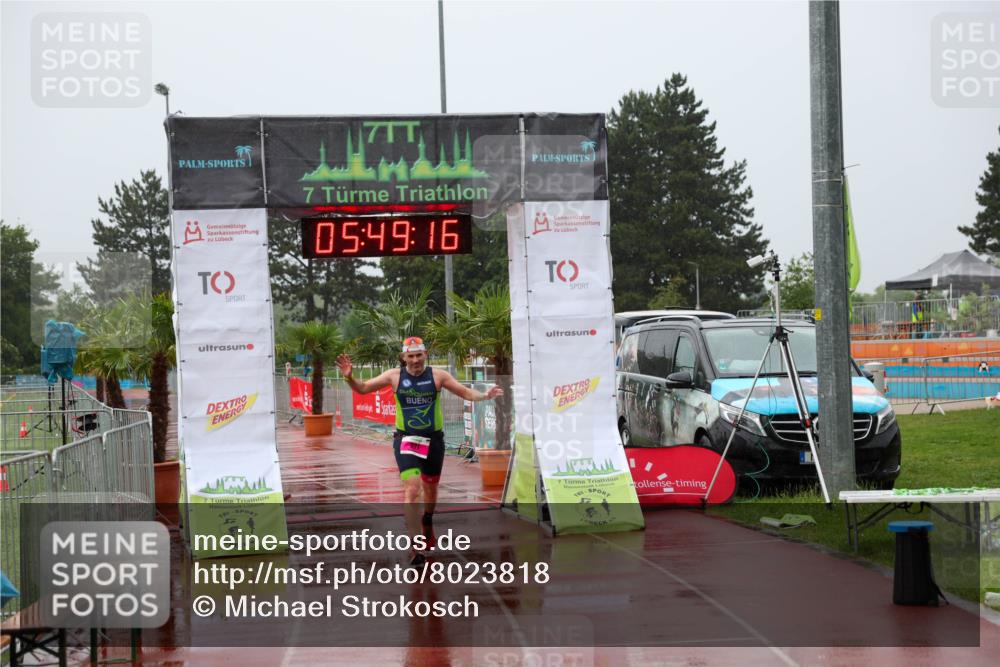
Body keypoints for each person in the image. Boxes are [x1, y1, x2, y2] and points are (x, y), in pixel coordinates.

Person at [336, 337, 503, 566]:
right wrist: (349, 377)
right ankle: (416, 546)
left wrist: (485, 396)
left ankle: (427, 519)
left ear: (425, 354)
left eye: (419, 355)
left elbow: (464, 392)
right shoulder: (394, 376)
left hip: (434, 440)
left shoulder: (438, 376)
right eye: (410, 356)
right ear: (404, 357)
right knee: (412, 488)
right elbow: (363, 389)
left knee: (431, 490)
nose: (415, 360)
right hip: (406, 440)